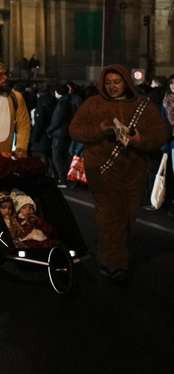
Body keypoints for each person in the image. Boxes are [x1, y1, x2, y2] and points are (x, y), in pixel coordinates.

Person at [68, 66, 171, 284]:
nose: (112, 86)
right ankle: (115, 265)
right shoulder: (93, 104)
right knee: (109, 217)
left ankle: (106, 256)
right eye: (108, 82)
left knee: (126, 218)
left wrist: (139, 139)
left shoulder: (142, 105)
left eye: (117, 82)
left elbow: (162, 132)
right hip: (100, 169)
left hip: (133, 172)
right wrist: (100, 129)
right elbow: (75, 130)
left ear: (126, 83)